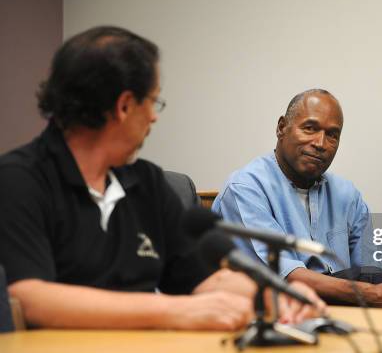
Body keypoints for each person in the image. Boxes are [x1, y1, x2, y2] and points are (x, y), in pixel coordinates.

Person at [0, 26, 324, 330]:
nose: (154, 116)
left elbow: (205, 278)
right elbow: (29, 297)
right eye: (153, 101)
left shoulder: (147, 183)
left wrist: (271, 295)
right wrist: (175, 312)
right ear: (125, 105)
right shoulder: (20, 179)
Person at [213, 89, 382, 310]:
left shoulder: (346, 194)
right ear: (281, 128)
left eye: (332, 135)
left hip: (344, 314)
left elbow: (374, 267)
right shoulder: (246, 188)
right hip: (271, 314)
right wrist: (367, 293)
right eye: (310, 128)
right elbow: (284, 276)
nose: (321, 143)